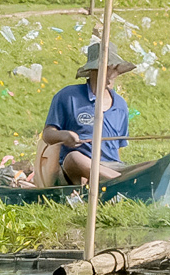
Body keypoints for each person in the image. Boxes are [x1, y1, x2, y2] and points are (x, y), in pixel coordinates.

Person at [32, 42, 136, 187]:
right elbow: (48, 135)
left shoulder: (120, 105)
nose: (111, 76)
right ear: (93, 71)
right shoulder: (68, 96)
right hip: (76, 167)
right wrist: (65, 135)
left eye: (114, 70)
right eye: (106, 69)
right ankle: (124, 183)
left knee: (150, 165)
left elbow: (117, 148)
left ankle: (121, 179)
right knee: (74, 158)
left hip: (112, 167)